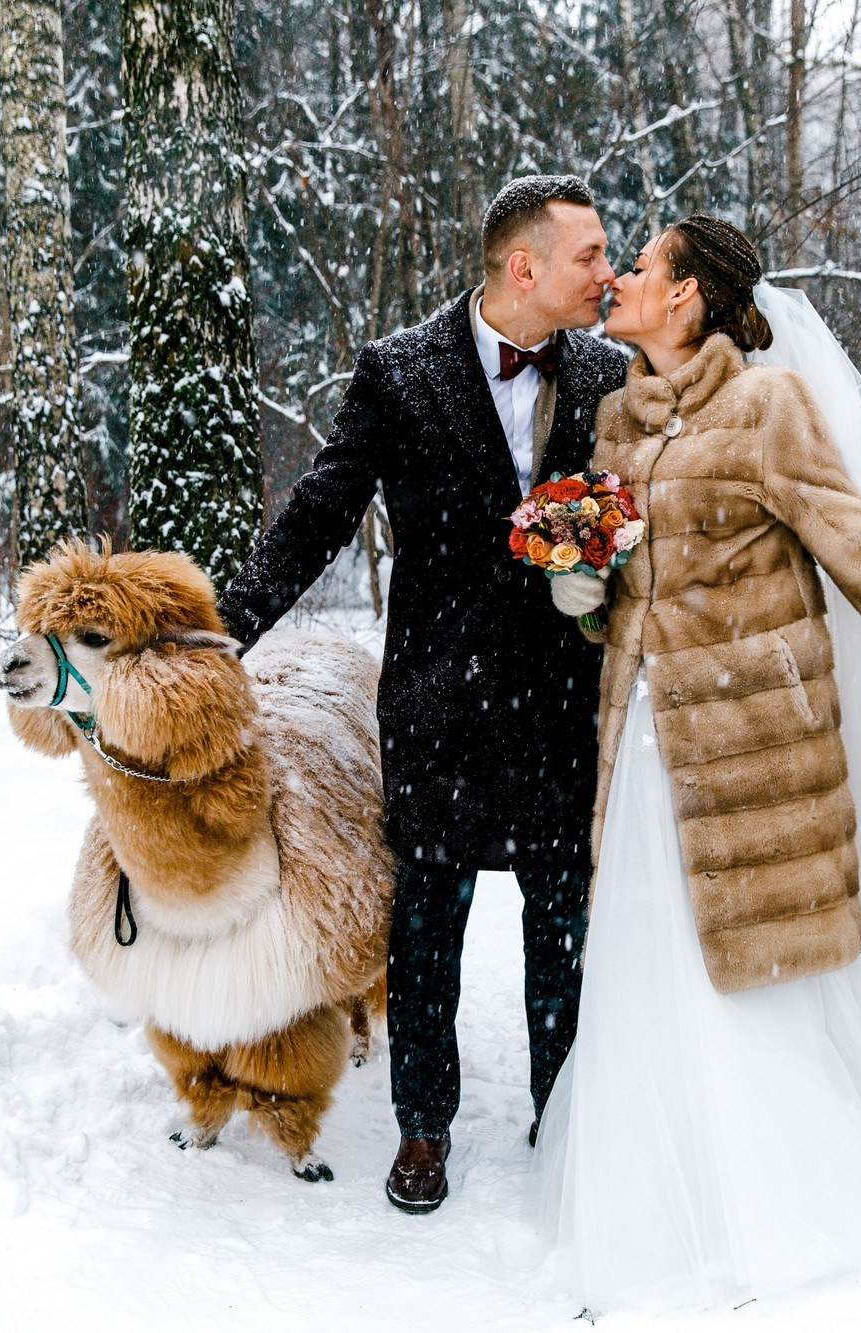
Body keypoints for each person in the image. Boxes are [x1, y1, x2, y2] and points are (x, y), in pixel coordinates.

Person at [533, 214, 861, 1309]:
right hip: (643, 737)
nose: (622, 279)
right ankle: (661, 1201)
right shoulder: (614, 422)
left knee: (746, 962)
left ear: (685, 297)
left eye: (640, 266)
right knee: (650, 955)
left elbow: (850, 533)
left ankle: (791, 1195)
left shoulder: (765, 407)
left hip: (751, 740)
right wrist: (579, 592)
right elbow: (617, 585)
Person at [218, 175, 623, 1215]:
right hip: (439, 704)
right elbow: (320, 510)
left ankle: (564, 1119)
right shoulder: (398, 374)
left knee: (563, 927)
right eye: (589, 255)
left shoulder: (611, 374)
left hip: (563, 702)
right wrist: (225, 630)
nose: (606, 272)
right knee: (425, 929)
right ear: (522, 266)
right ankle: (422, 1129)